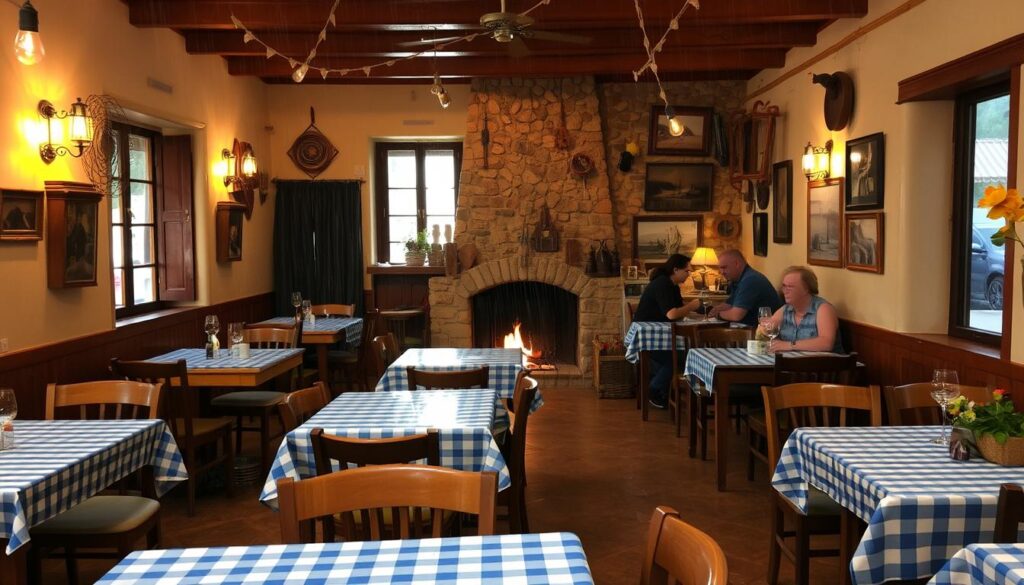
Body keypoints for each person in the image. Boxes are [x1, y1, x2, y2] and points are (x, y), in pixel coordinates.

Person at [632, 254, 700, 409]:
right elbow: (672, 313)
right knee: (679, 358)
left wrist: (698, 312)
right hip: (647, 337)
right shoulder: (662, 284)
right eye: (686, 271)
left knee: (679, 356)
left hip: (658, 335)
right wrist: (692, 306)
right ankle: (654, 390)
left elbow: (679, 307)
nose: (688, 274)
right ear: (675, 270)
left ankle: (660, 387)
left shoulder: (672, 285)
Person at [760, 265, 844, 353]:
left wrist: (789, 345)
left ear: (806, 289)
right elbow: (769, 329)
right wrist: (765, 329)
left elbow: (826, 344)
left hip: (828, 364)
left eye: (790, 286)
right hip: (795, 363)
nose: (785, 290)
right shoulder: (785, 310)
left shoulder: (823, 309)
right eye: (784, 286)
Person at [708, 249, 781, 327]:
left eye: (724, 267)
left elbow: (736, 315)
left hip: (764, 330)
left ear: (736, 264)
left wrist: (718, 314)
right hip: (751, 327)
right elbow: (729, 304)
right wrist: (713, 309)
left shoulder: (750, 279)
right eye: (720, 268)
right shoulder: (738, 278)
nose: (722, 272)